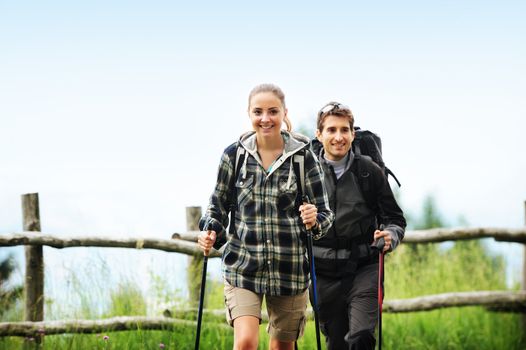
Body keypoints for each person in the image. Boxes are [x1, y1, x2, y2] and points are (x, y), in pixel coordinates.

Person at [197, 84, 334, 350]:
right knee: (246, 342)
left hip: (290, 270)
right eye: (258, 112)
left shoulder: (303, 157)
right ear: (249, 114)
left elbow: (326, 215)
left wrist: (313, 219)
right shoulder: (234, 156)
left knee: (281, 347)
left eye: (273, 111)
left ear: (284, 113)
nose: (265, 118)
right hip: (243, 267)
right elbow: (217, 206)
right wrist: (210, 230)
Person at [310, 102, 407, 350]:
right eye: (331, 130)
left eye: (345, 130)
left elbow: (395, 219)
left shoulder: (369, 172)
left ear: (353, 134)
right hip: (322, 273)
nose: (339, 137)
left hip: (364, 268)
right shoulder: (306, 175)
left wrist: (390, 236)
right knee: (336, 344)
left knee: (361, 338)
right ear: (319, 135)